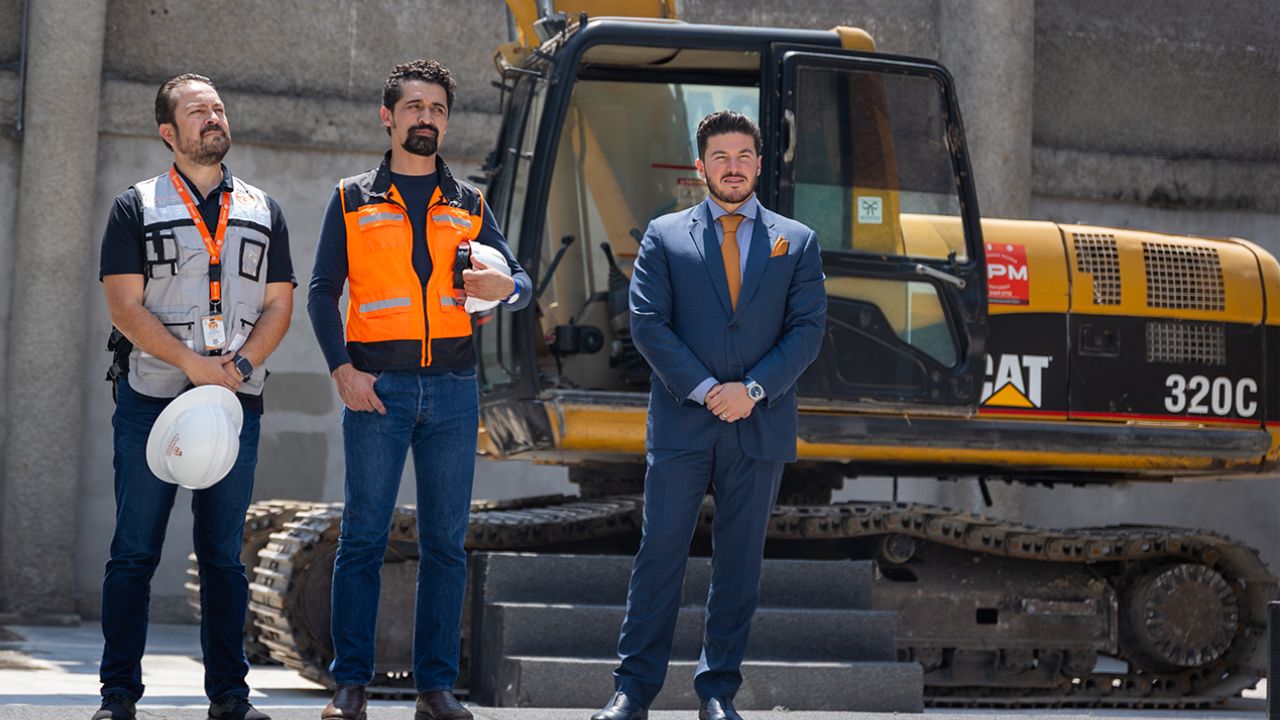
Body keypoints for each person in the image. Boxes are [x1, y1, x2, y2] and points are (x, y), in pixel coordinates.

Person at [307, 59, 532, 720]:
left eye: (437, 108)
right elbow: (323, 292)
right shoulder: (352, 198)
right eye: (414, 107)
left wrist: (506, 288)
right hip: (379, 391)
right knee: (364, 539)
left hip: (454, 391)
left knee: (445, 545)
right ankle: (350, 685)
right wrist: (341, 371)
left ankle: (435, 690)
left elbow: (518, 281)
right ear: (389, 116)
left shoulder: (469, 205)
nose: (426, 118)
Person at [591, 111, 826, 720]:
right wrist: (703, 389)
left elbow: (807, 331)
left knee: (739, 564)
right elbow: (648, 324)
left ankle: (717, 691)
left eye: (744, 155)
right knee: (659, 554)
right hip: (682, 423)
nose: (733, 166)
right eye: (720, 156)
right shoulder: (665, 236)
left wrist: (750, 389)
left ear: (759, 163)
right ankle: (632, 692)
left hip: (760, 422)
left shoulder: (795, 241)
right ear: (701, 167)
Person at [96, 73, 295, 720]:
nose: (213, 117)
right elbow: (124, 307)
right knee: (134, 552)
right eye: (197, 111)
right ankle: (118, 695)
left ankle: (230, 699)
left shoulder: (264, 209)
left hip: (234, 404)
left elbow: (278, 305)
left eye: (218, 107)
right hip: (152, 400)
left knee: (223, 558)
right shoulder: (136, 206)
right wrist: (190, 363)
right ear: (168, 133)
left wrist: (236, 365)